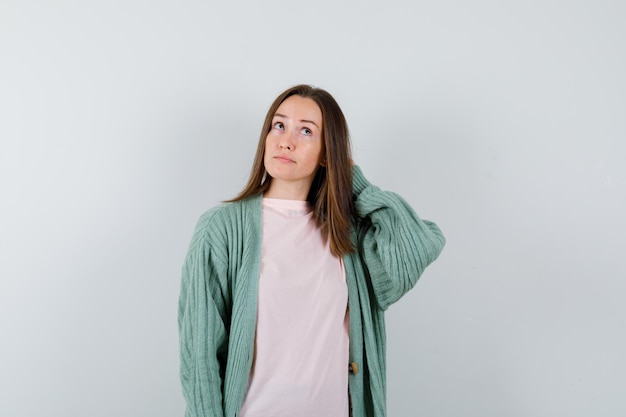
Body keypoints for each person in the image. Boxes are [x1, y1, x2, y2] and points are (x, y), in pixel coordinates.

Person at [178, 84, 445, 417]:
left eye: (306, 131)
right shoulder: (221, 229)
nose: (286, 140)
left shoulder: (349, 235)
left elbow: (419, 245)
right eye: (279, 125)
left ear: (326, 153)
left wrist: (354, 182)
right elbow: (199, 352)